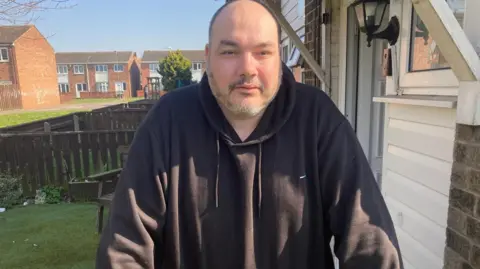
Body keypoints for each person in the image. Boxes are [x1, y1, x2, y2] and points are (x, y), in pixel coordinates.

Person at [95, 0, 403, 268]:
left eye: (262, 52)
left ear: (278, 56)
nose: (247, 68)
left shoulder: (318, 120)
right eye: (230, 51)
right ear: (208, 57)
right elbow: (125, 250)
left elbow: (370, 243)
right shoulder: (168, 122)